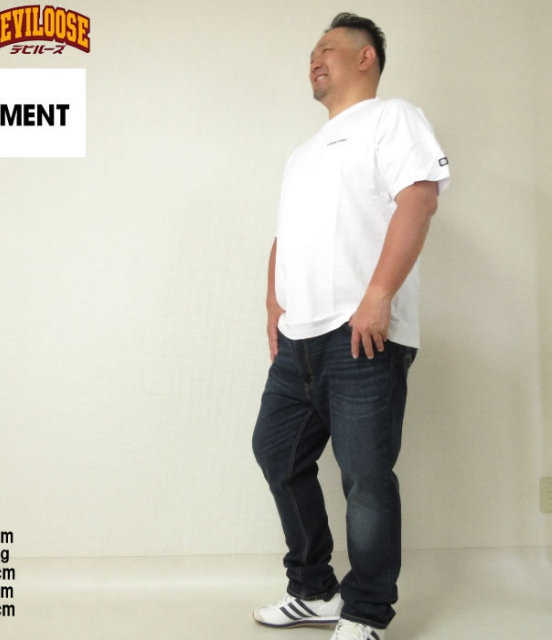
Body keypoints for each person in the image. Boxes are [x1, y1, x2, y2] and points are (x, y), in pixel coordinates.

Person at [251, 12, 450, 640]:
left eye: (329, 48)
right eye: (312, 51)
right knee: (276, 452)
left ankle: (366, 611)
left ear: (366, 58)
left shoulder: (393, 118)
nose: (315, 58)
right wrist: (273, 305)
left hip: (363, 334)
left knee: (364, 476)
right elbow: (285, 236)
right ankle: (314, 590)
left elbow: (419, 197)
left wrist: (378, 295)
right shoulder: (302, 154)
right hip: (300, 340)